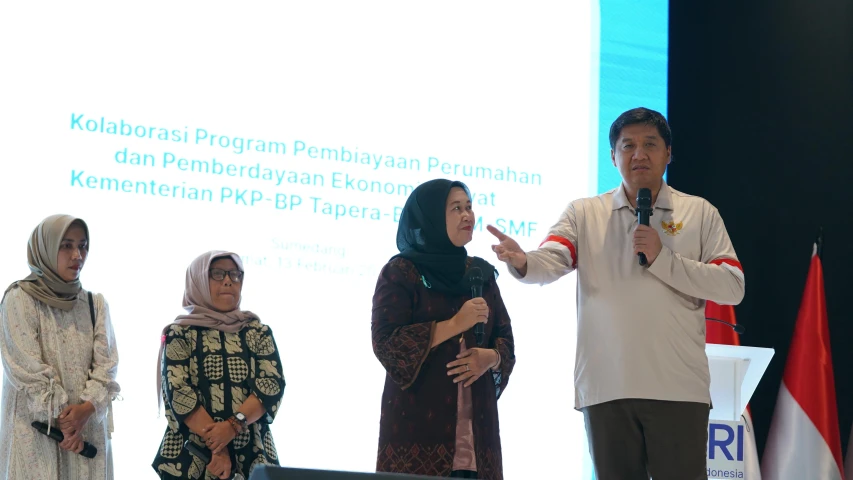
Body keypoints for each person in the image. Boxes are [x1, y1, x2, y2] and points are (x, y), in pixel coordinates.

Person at [489, 107, 745, 480]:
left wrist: (663, 259)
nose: (639, 154)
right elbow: (553, 258)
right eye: (628, 146)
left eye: (650, 144)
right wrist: (523, 261)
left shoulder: (699, 213)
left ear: (668, 153)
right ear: (613, 156)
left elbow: (732, 285)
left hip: (678, 388)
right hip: (607, 387)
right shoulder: (585, 213)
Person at [372, 179, 516, 480]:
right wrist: (455, 324)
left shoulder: (480, 273)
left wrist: (490, 358)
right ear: (432, 217)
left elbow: (505, 339)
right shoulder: (401, 272)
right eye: (456, 208)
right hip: (417, 434)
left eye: (469, 207)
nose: (467, 215)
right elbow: (386, 343)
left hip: (478, 436)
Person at [0, 214, 120, 479]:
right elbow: (26, 369)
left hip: (86, 434)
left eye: (82, 246)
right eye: (66, 245)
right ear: (45, 248)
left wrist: (85, 411)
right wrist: (67, 422)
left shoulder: (95, 304)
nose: (77, 255)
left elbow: (107, 366)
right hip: (38, 433)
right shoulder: (19, 298)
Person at [152, 251, 285, 480]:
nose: (228, 281)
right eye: (217, 274)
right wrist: (218, 447)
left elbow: (271, 385)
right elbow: (178, 391)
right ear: (198, 280)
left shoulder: (258, 331)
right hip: (193, 455)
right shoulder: (180, 333)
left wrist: (232, 426)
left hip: (251, 454)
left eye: (235, 274)